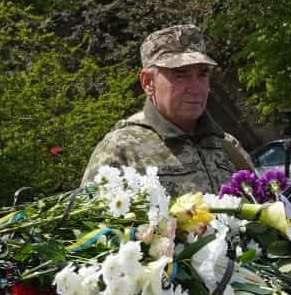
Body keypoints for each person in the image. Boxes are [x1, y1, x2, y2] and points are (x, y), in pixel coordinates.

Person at [82, 23, 256, 197]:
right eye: (180, 75)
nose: (196, 87)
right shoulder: (121, 149)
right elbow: (91, 212)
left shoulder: (228, 146)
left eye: (202, 74)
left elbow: (262, 206)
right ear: (148, 82)